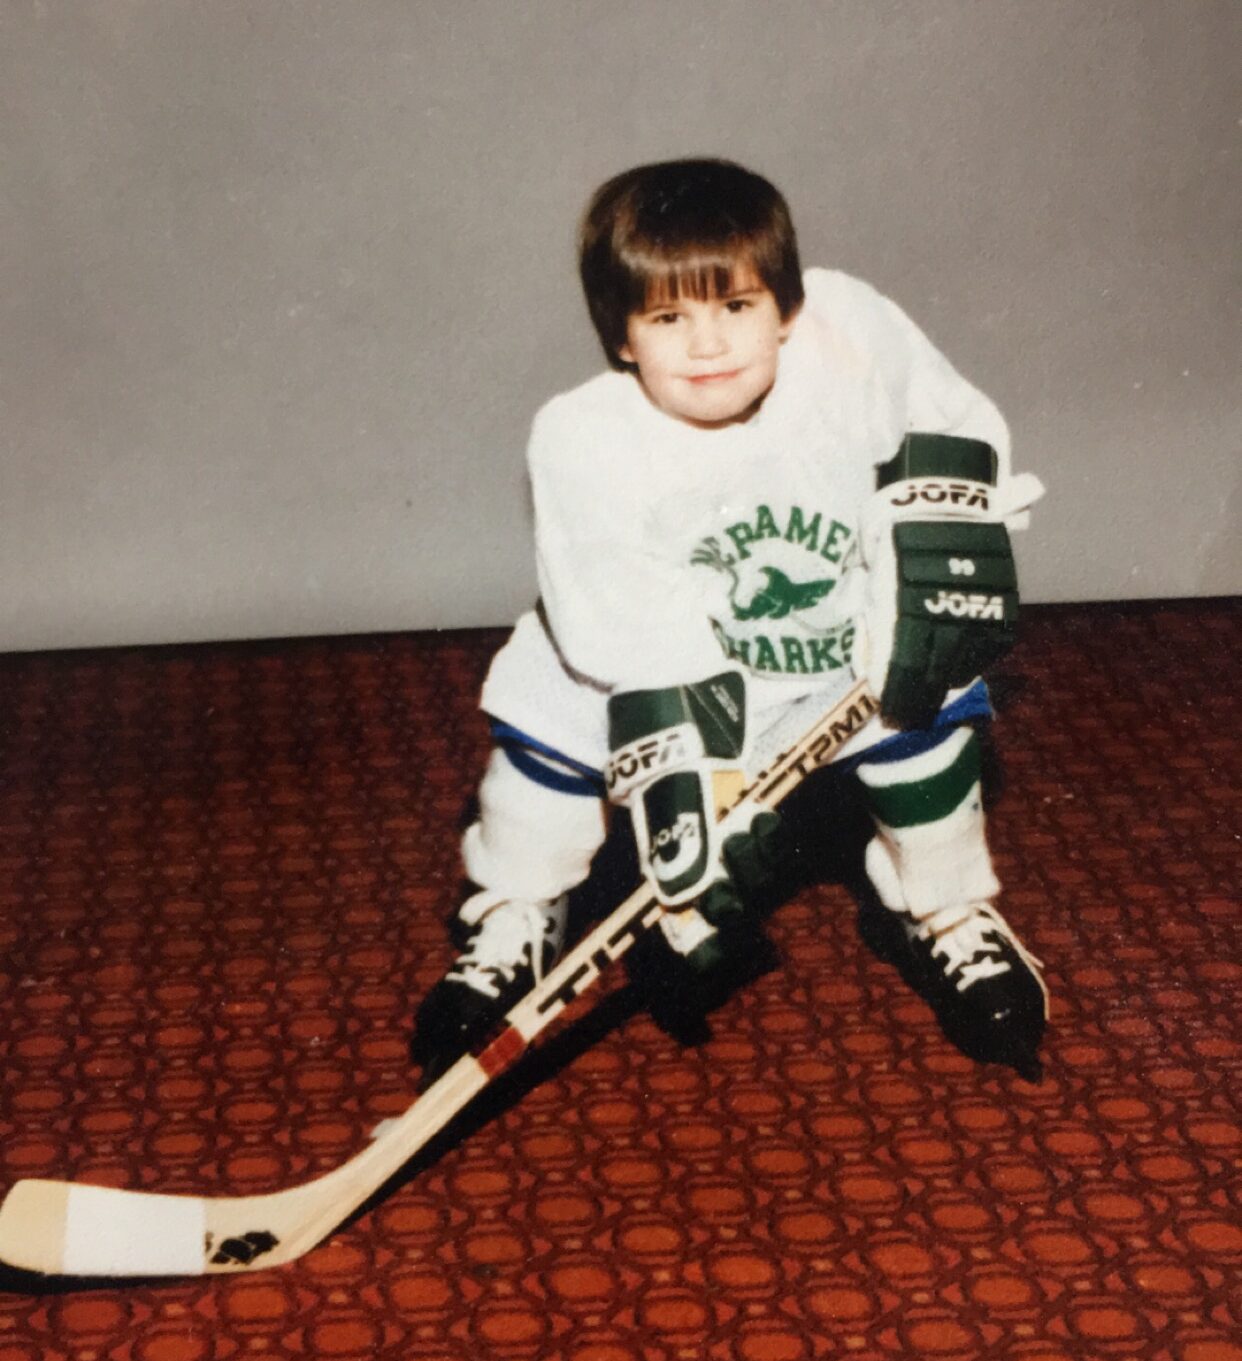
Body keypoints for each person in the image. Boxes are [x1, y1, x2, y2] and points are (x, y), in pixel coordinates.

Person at [412, 158, 1048, 1085]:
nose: (708, 344)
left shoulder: (848, 333)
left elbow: (951, 429)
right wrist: (698, 798)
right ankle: (515, 911)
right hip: (646, 671)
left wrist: (930, 552)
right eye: (668, 319)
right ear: (621, 335)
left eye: (737, 307)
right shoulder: (583, 437)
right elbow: (616, 630)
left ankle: (946, 908)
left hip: (834, 644)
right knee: (549, 734)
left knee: (929, 703)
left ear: (784, 306)